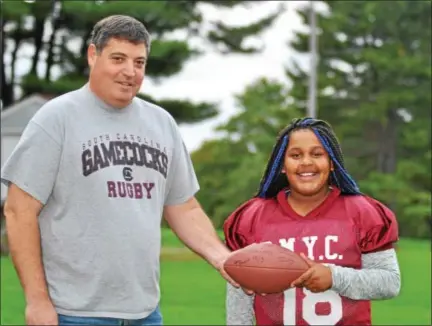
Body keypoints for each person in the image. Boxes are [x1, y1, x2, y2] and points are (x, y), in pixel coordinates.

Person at [1, 15, 238, 326]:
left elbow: (184, 207)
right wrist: (37, 300)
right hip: (74, 314)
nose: (130, 72)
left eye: (139, 62)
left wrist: (222, 257)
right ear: (92, 55)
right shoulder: (56, 119)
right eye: (118, 59)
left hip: (145, 313)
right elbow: (19, 211)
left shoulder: (161, 123)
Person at [223, 117, 401, 325]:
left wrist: (333, 277)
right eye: (296, 155)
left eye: (317, 154)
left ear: (332, 162)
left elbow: (390, 282)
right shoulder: (251, 217)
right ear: (282, 164)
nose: (306, 162)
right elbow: (239, 298)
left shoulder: (362, 212)